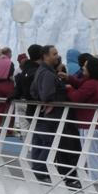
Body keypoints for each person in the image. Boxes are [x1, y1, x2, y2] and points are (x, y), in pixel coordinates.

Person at [66, 55, 98, 187]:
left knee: (91, 155)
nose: (82, 69)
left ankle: (94, 183)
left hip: (89, 124)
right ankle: (97, 181)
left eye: (85, 67)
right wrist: (70, 79)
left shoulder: (91, 84)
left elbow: (76, 97)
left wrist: (68, 87)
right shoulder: (96, 82)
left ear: (91, 69)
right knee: (96, 153)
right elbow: (82, 85)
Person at [30, 45, 68, 180]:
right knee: (51, 142)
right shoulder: (48, 74)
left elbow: (33, 91)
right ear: (45, 56)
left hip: (45, 113)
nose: (57, 56)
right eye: (54, 54)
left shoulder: (41, 71)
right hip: (53, 114)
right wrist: (60, 93)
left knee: (41, 142)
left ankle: (38, 170)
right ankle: (39, 170)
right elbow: (46, 95)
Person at [0, 47, 16, 134]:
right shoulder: (10, 62)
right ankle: (9, 130)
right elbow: (11, 75)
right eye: (11, 53)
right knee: (10, 108)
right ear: (8, 53)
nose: (11, 55)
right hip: (8, 85)